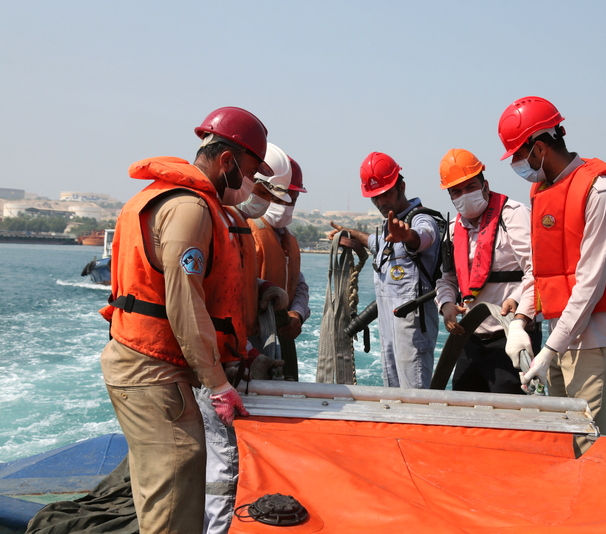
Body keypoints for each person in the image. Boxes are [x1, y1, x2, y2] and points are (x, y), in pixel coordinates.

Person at [99, 107, 284, 533]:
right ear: (227, 160)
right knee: (175, 495)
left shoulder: (190, 204)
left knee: (183, 480)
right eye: (251, 169)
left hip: (160, 367)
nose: (251, 181)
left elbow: (205, 280)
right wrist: (218, 384)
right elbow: (183, 301)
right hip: (151, 369)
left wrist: (257, 289)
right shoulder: (190, 209)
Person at [499, 96, 606, 455]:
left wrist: (548, 350)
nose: (517, 165)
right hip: (560, 333)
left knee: (590, 442)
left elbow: (590, 283)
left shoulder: (601, 191)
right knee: (563, 437)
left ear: (540, 148)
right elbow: (543, 271)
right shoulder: (542, 190)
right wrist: (520, 320)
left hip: (596, 336)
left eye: (518, 156)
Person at [328, 152, 441, 388]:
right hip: (389, 329)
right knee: (393, 393)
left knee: (415, 398)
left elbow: (423, 238)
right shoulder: (387, 230)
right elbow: (374, 243)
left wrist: (407, 236)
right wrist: (348, 233)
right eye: (375, 198)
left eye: (386, 194)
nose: (381, 203)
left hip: (413, 330)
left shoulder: (421, 220)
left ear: (402, 186)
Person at [434, 148, 539, 394]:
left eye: (470, 187)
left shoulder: (513, 215)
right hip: (470, 339)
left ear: (485, 185)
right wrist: (446, 304)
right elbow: (446, 278)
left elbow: (537, 272)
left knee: (509, 417)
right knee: (464, 412)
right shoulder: (452, 230)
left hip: (511, 336)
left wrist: (520, 312)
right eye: (456, 191)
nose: (464, 195)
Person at [241, 142, 311, 380]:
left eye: (291, 199)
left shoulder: (287, 240)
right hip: (250, 339)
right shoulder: (244, 230)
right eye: (280, 198)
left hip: (283, 336)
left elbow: (299, 284)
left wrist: (297, 314)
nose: (285, 205)